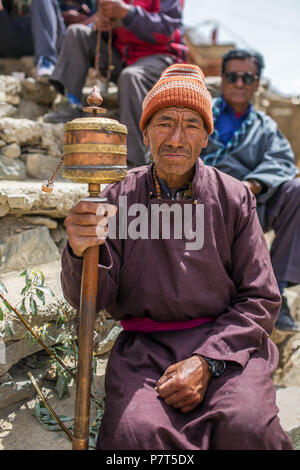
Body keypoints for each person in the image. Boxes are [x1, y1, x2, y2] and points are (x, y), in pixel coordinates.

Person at [61, 63, 293, 450]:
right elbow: (91, 298)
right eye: (164, 122)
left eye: (191, 125)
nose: (176, 138)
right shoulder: (117, 199)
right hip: (145, 353)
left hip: (227, 346)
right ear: (146, 132)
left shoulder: (234, 198)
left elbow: (261, 298)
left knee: (249, 428)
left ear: (206, 138)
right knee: (135, 437)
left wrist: (207, 361)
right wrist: (79, 248)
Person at [201, 48, 300, 333]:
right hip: (200, 200)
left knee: (296, 190)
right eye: (233, 76)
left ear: (257, 83)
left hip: (249, 205)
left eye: (248, 78)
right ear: (223, 78)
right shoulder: (201, 112)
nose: (240, 84)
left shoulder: (265, 127)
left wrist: (249, 187)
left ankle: (276, 290)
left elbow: (282, 162)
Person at [44, 0, 187, 167]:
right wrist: (102, 23)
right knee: (77, 33)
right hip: (123, 56)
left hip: (160, 57)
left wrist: (128, 14)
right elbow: (109, 28)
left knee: (131, 76)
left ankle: (135, 160)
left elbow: (165, 30)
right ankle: (70, 102)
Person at [0, 0, 96, 80]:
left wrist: (67, 18)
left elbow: (99, 14)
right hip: (14, 34)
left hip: (54, 35)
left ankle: (46, 61)